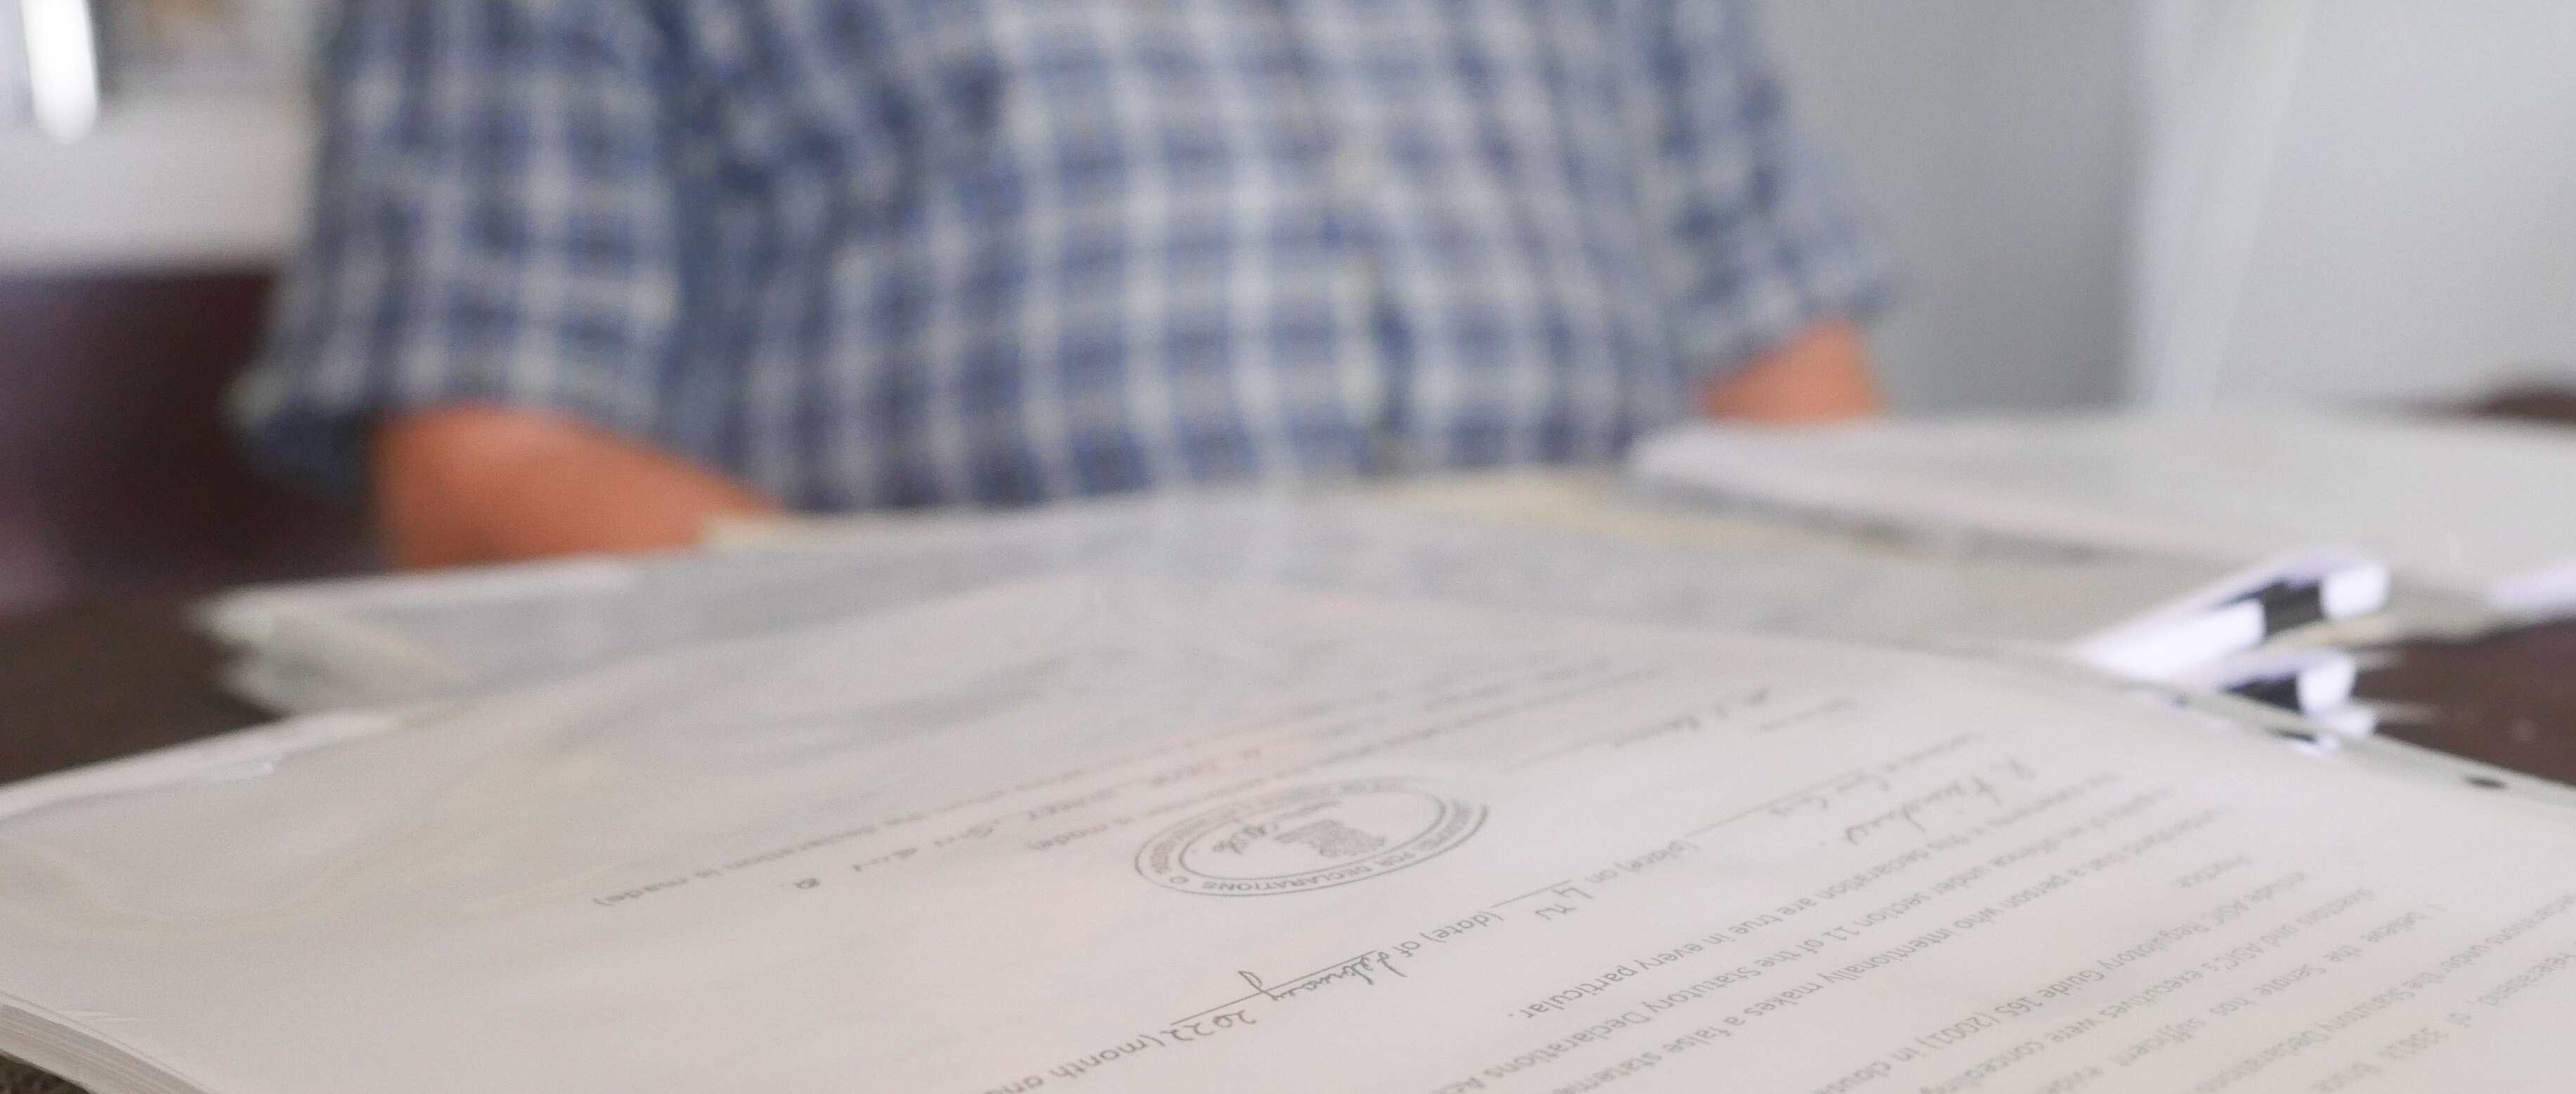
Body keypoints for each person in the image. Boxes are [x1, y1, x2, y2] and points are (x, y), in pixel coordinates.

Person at [237, 0, 1898, 570]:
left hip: (1635, 781)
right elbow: (481, 471)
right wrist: (990, 678)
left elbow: (1786, 372)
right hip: (955, 848)